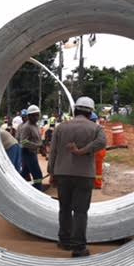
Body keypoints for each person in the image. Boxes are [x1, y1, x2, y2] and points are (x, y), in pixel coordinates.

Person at [48, 97, 107, 257]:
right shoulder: (96, 128)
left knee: (65, 208)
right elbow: (102, 143)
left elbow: (53, 151)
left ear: (75, 110)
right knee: (80, 212)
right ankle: (79, 247)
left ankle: (64, 240)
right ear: (90, 112)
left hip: (63, 173)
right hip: (84, 175)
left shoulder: (61, 127)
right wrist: (84, 151)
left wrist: (52, 172)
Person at [18, 105, 44, 191]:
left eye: (37, 115)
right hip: (28, 153)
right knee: (38, 175)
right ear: (29, 116)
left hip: (33, 152)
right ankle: (38, 190)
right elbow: (23, 142)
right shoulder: (27, 127)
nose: (36, 117)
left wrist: (40, 146)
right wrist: (37, 145)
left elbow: (37, 139)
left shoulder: (36, 126)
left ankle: (17, 187)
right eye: (34, 115)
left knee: (25, 173)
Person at [90, 112, 107, 189]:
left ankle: (95, 183)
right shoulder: (99, 128)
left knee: (92, 168)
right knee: (98, 169)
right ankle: (98, 184)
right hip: (101, 151)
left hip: (95, 151)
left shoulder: (90, 128)